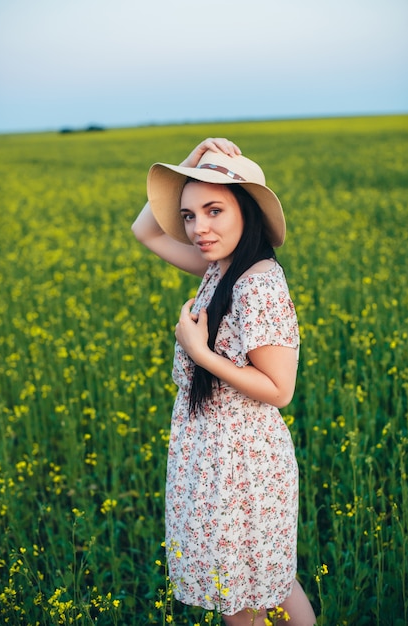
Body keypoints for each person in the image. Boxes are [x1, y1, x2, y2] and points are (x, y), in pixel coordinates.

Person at [132, 138, 316, 626]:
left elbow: (280, 390)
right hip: (213, 453)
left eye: (213, 209)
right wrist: (189, 165)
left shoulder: (258, 282)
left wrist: (200, 353)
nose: (198, 228)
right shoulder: (222, 268)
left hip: (240, 463)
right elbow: (145, 231)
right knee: (265, 581)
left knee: (241, 597)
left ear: (247, 211)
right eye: (190, 215)